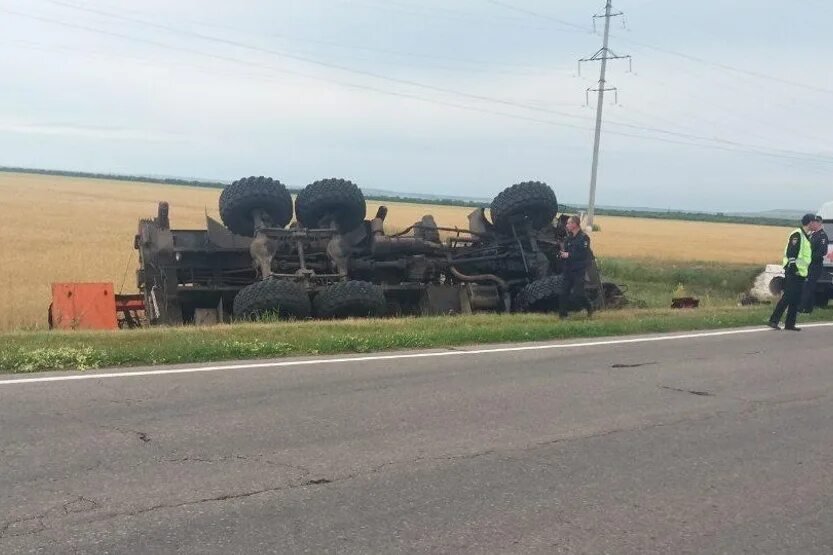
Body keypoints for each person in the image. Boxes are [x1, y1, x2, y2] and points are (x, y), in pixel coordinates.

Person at [768, 214, 814, 331]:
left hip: (801, 273)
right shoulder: (797, 234)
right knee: (788, 297)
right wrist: (793, 267)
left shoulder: (806, 236)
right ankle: (773, 320)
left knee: (795, 298)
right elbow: (791, 252)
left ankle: (790, 324)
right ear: (810, 222)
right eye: (814, 222)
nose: (815, 224)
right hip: (794, 271)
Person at [559, 215, 593, 319]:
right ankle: (563, 316)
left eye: (569, 223)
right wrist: (561, 255)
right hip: (568, 269)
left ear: (575, 224)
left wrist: (568, 255)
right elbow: (565, 252)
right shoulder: (568, 238)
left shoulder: (584, 238)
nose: (567, 225)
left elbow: (583, 254)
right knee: (563, 293)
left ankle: (589, 307)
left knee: (578, 294)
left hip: (578, 271)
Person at [800, 215, 829, 313]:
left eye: (815, 221)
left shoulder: (822, 236)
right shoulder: (812, 235)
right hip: (808, 264)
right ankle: (807, 308)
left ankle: (804, 308)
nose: (813, 223)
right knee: (807, 286)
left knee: (809, 286)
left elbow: (822, 252)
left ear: (819, 223)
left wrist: (809, 258)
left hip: (815, 265)